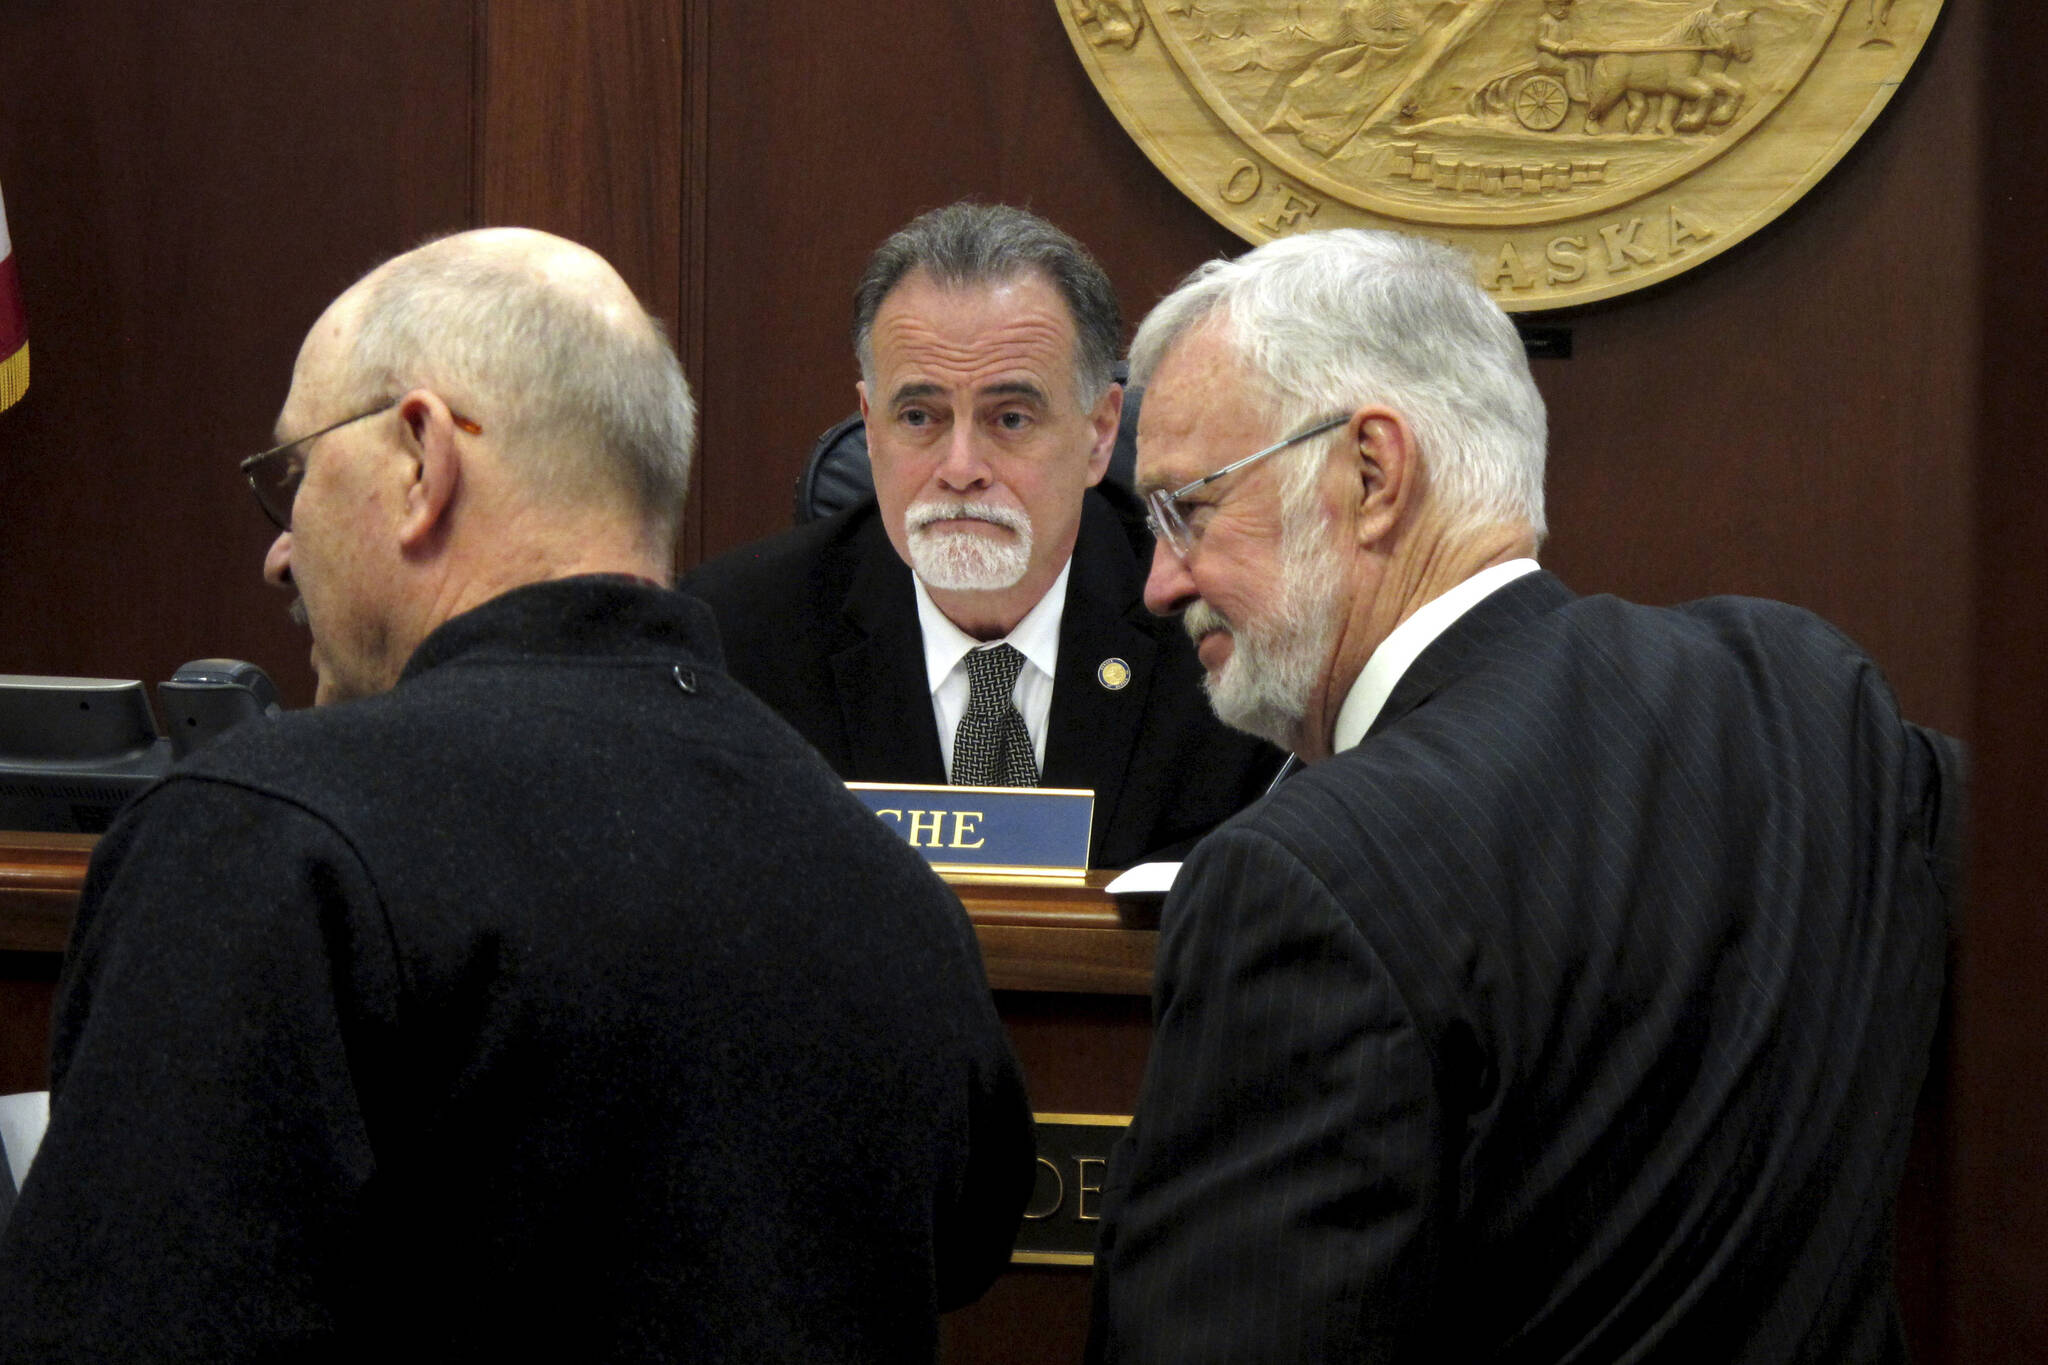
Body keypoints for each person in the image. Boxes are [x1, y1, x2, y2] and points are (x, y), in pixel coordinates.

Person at [0, 228, 1034, 1362]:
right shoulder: (896, 894)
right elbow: (970, 1245)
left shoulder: (268, 839)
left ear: (419, 457)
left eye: (290, 479)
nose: (280, 554)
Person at [1088, 229, 1961, 1361]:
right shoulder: (1806, 692)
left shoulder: (1302, 877)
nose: (1159, 585)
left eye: (1183, 512)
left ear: (1369, 474)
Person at [684, 203, 1282, 869]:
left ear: (1100, 432)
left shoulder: (1214, 635)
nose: (961, 469)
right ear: (870, 423)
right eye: (919, 416)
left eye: (1011, 419)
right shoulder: (736, 641)